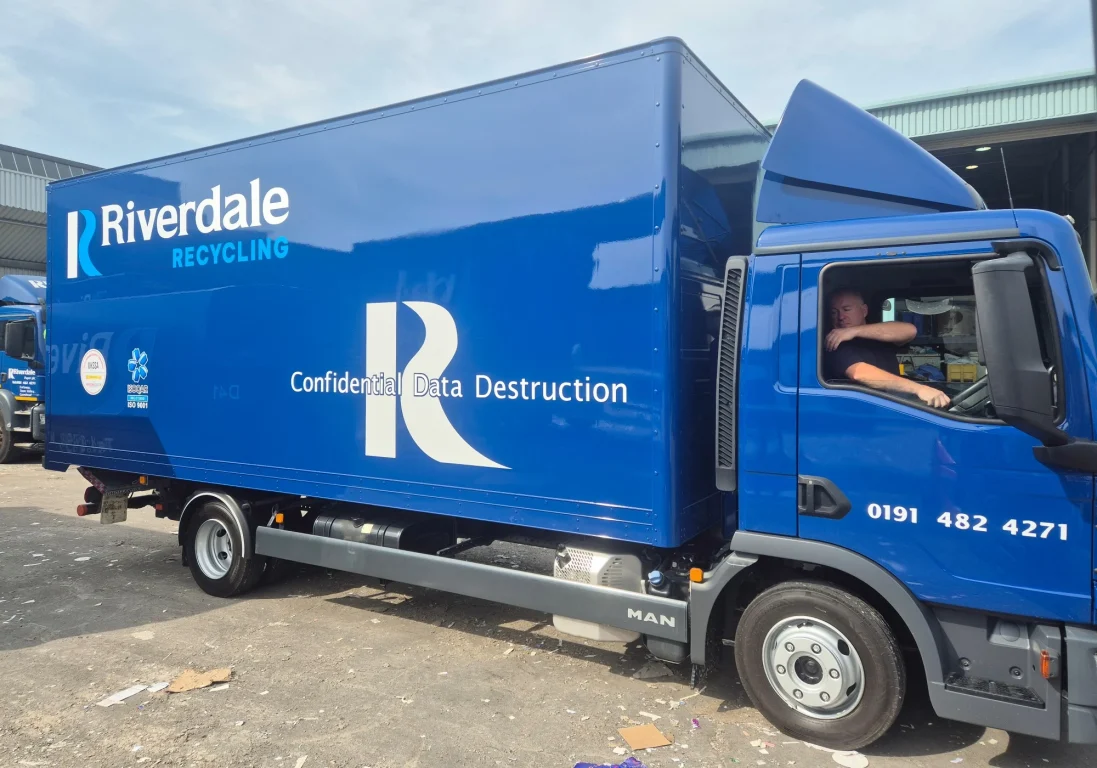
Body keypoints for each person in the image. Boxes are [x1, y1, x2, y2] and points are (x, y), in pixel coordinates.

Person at [825, 288, 950, 409]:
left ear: (864, 311)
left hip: (890, 405)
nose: (841, 317)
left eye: (846, 309)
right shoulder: (835, 342)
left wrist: (854, 331)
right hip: (864, 412)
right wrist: (919, 389)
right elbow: (860, 373)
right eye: (834, 312)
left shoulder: (875, 334)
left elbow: (910, 331)